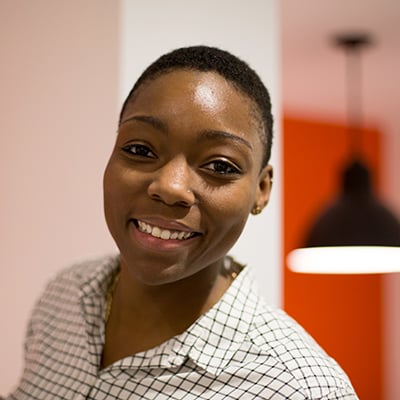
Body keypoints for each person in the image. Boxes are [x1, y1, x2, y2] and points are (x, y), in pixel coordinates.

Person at [3, 46, 358, 399]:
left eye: (220, 166)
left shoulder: (300, 388)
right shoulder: (64, 296)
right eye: (140, 149)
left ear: (261, 190)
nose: (171, 187)